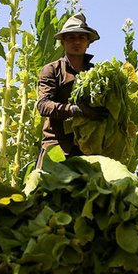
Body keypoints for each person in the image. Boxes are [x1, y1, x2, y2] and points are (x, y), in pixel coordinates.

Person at [35, 12, 106, 168]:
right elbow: (43, 105)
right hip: (57, 147)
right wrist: (73, 110)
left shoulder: (98, 74)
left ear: (88, 43)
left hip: (89, 150)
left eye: (81, 37)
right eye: (71, 37)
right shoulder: (52, 70)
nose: (76, 42)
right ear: (63, 43)